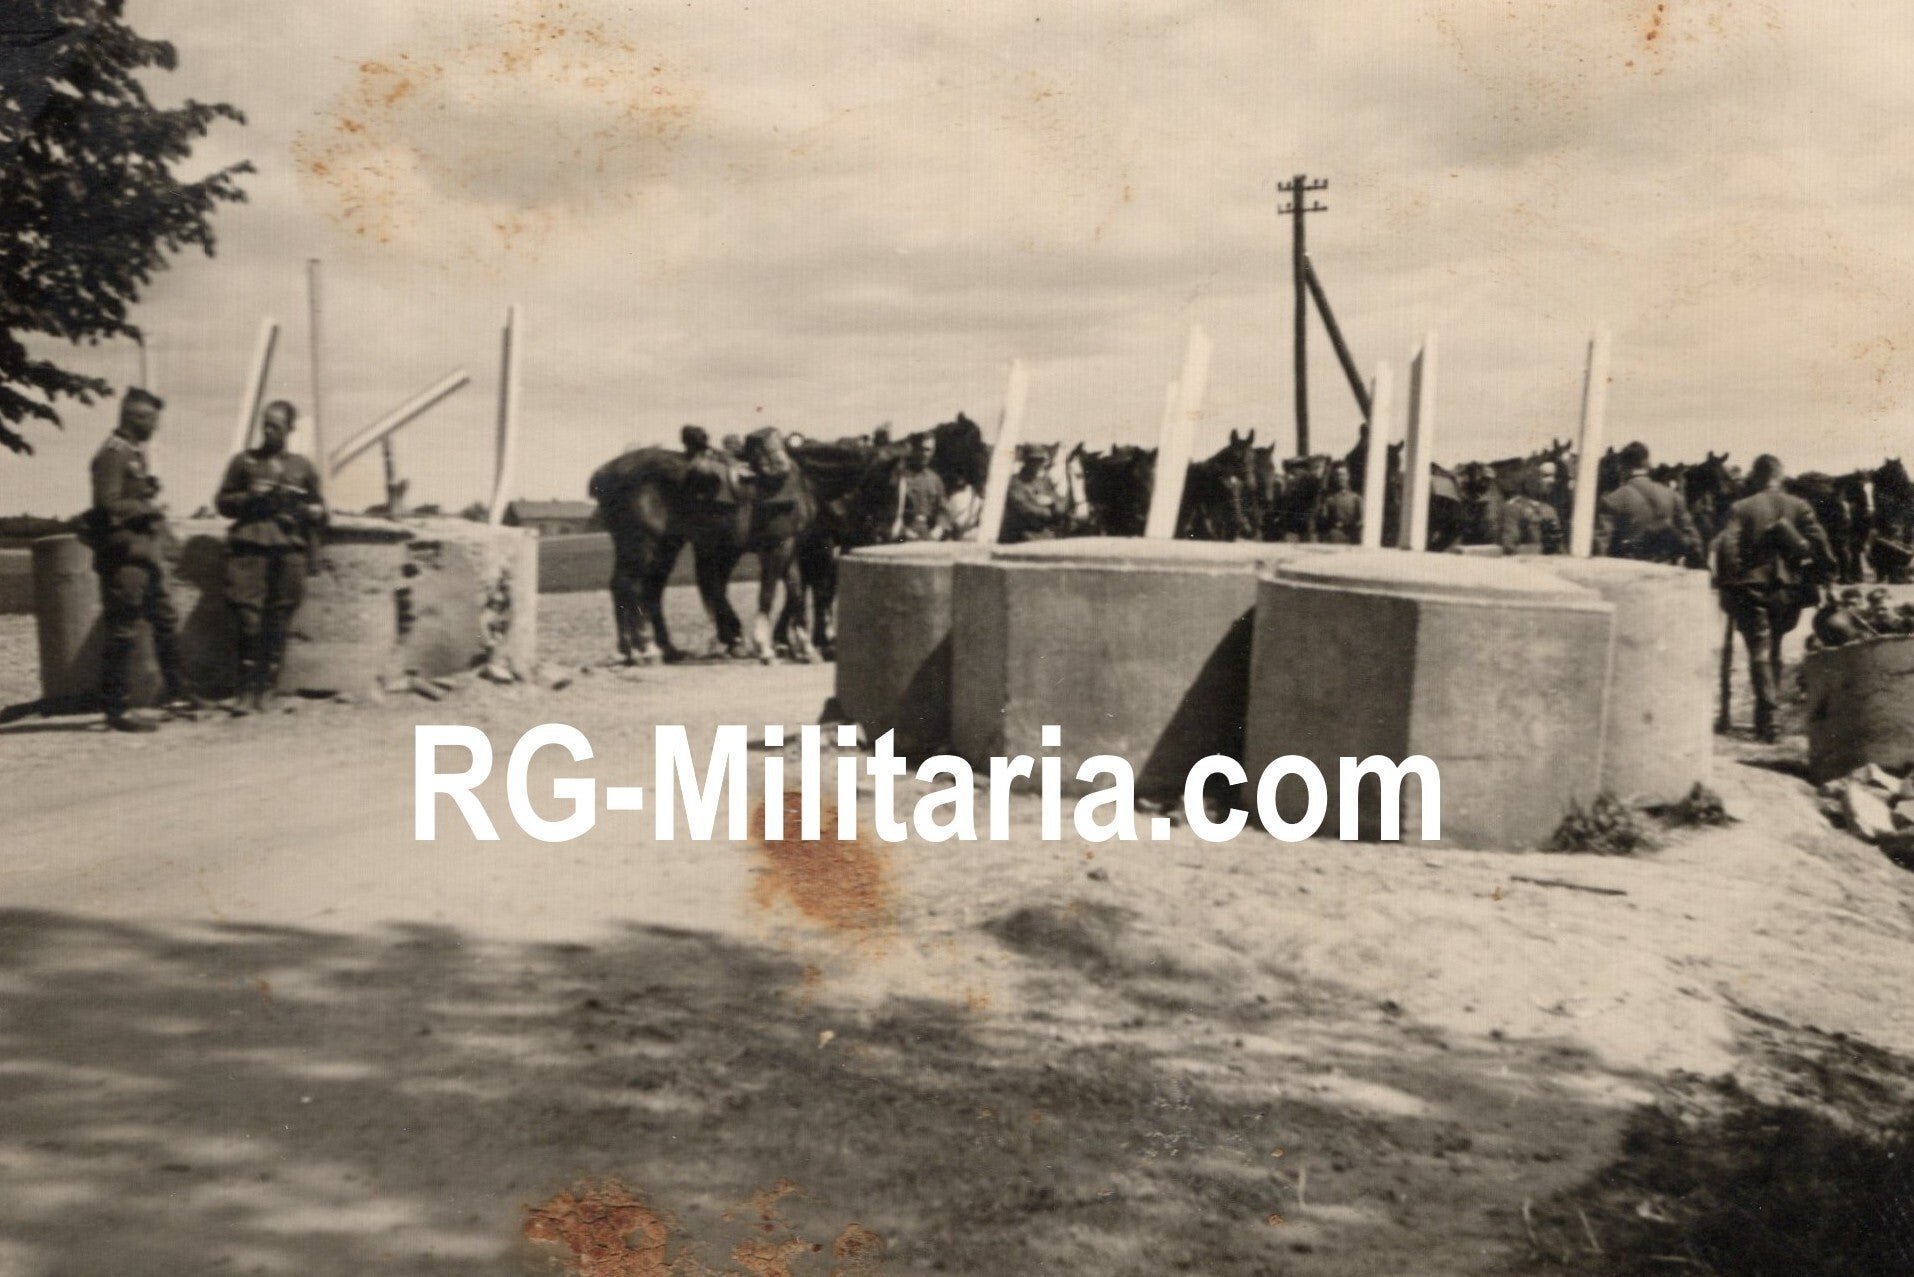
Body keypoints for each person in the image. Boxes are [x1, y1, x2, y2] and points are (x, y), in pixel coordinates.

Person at [86, 388, 196, 732]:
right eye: (151, 420)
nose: (155, 427)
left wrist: (146, 491)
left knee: (165, 620)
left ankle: (178, 696)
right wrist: (147, 508)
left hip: (143, 554)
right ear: (133, 418)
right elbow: (108, 504)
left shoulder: (133, 452)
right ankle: (115, 709)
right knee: (122, 630)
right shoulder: (113, 453)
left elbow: (125, 497)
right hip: (124, 558)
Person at [1711, 453, 1834, 742]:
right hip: (1788, 590)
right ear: (1780, 475)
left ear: (1756, 476)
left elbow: (1727, 546)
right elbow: (1820, 542)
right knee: (1775, 647)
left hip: (1751, 588)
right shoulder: (1799, 506)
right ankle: (1768, 717)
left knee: (1759, 650)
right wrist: (1826, 573)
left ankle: (1769, 718)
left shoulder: (1741, 507)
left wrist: (1731, 579)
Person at [215, 399, 327, 713]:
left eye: (275, 426)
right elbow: (222, 503)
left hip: (289, 549)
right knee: (248, 619)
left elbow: (320, 510)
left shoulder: (302, 467)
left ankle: (267, 689)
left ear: (289, 429)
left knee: (279, 620)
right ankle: (244, 691)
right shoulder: (244, 462)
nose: (268, 431)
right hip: (250, 549)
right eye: (265, 425)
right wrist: (250, 497)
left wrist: (311, 511)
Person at [1594, 441, 1701, 563]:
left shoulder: (1613, 499)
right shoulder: (1672, 495)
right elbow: (1693, 540)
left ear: (1622, 466)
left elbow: (1601, 545)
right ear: (1647, 463)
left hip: (1627, 570)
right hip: (1666, 570)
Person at [1001, 444, 1065, 543]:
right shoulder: (1015, 482)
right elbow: (1025, 509)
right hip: (1020, 536)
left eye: (1041, 460)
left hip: (1044, 534)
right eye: (1034, 460)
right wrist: (1050, 511)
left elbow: (1061, 505)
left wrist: (1052, 503)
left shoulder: (1044, 482)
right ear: (1026, 461)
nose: (1038, 464)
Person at [892, 434, 950, 541]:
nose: (924, 454)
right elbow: (889, 511)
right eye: (921, 449)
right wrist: (903, 531)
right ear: (914, 450)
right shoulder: (899, 477)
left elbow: (943, 510)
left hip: (929, 535)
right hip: (904, 535)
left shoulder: (935, 479)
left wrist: (939, 528)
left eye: (928, 450)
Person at [1499, 470, 1564, 555]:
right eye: (1545, 476)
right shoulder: (1513, 507)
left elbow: (1559, 545)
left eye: (1552, 477)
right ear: (1530, 480)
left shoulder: (1549, 509)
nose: (1552, 481)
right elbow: (1509, 546)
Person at [1313, 462, 1362, 544]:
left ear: (1348, 476)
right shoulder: (1329, 499)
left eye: (1343, 475)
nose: (1340, 478)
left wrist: (1349, 526)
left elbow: (1361, 520)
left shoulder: (1356, 498)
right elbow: (1324, 519)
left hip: (1352, 538)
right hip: (1334, 538)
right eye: (1338, 475)